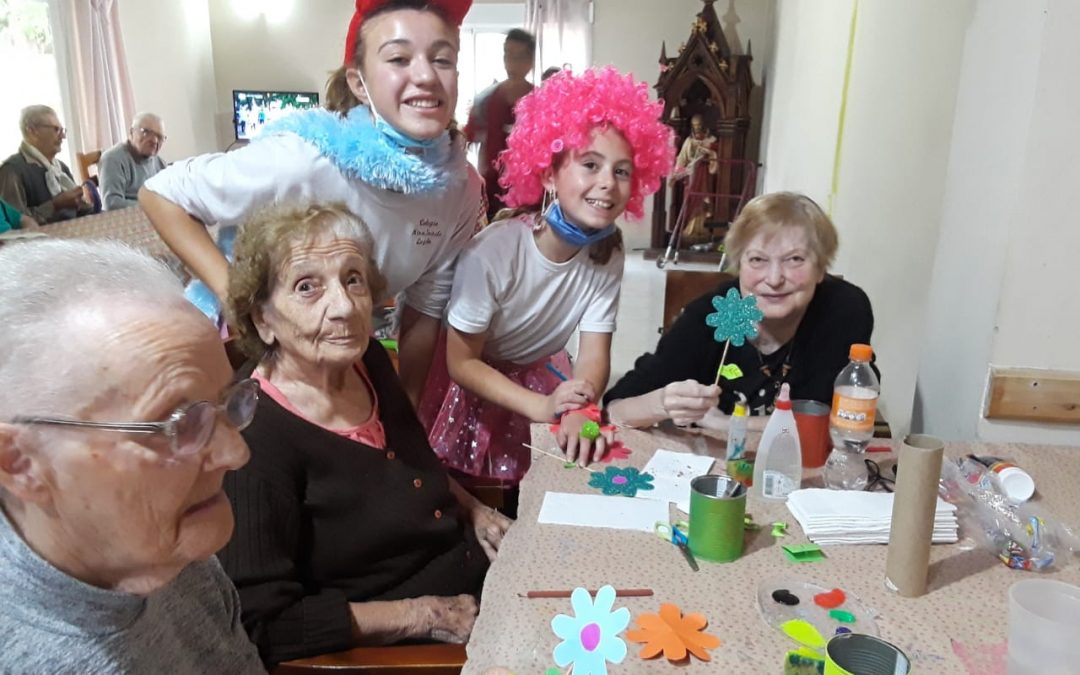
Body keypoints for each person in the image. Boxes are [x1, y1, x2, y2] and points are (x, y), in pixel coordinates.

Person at [141, 0, 484, 406]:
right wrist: (238, 302)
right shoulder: (304, 158)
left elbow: (424, 313)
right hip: (228, 349)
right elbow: (160, 193)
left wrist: (405, 412)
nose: (426, 75)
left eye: (442, 59)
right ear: (359, 83)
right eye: (399, 58)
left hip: (323, 353)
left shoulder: (458, 189)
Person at [220, 203, 505, 667]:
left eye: (352, 278)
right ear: (262, 321)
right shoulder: (255, 439)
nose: (346, 306)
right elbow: (262, 624)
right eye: (307, 286)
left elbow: (415, 465)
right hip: (417, 647)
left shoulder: (366, 359)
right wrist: (421, 615)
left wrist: (473, 509)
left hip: (473, 573)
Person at [0, 239, 264, 673]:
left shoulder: (174, 559)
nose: (236, 453)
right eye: (179, 423)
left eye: (230, 403)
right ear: (19, 462)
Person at [418, 67, 675, 484]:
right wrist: (541, 407)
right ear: (548, 174)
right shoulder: (495, 251)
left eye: (622, 170)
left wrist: (581, 406)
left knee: (549, 481)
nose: (607, 183)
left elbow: (593, 354)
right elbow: (461, 362)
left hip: (541, 371)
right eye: (590, 164)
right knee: (473, 488)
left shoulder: (608, 251)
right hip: (477, 382)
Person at [604, 191, 876, 429]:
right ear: (739, 266)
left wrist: (727, 422)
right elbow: (615, 408)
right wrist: (664, 403)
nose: (774, 278)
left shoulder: (842, 310)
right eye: (757, 259)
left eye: (794, 259)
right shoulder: (709, 318)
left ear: (820, 269)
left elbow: (835, 419)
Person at [464, 29, 535, 218]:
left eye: (519, 57)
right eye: (508, 55)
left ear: (531, 62)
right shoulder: (485, 101)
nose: (512, 63)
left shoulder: (541, 102)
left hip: (530, 195)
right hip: (491, 192)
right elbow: (464, 141)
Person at [0, 105, 95, 224]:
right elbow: (14, 224)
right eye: (56, 129)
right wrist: (55, 205)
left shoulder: (60, 167)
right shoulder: (11, 171)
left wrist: (84, 203)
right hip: (41, 242)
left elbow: (80, 213)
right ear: (32, 131)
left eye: (63, 130)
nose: (63, 136)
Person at [99, 112, 167, 210]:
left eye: (160, 137)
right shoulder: (112, 159)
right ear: (131, 132)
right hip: (128, 220)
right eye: (146, 132)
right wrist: (153, 207)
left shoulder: (160, 163)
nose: (154, 141)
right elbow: (111, 203)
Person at [669, 113, 719, 243]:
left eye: (699, 125)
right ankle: (689, 229)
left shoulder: (711, 140)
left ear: (704, 125)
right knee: (691, 200)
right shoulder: (689, 142)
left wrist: (709, 152)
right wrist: (676, 174)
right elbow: (682, 159)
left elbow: (716, 156)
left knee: (703, 199)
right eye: (694, 125)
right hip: (691, 175)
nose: (697, 128)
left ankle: (703, 229)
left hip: (705, 175)